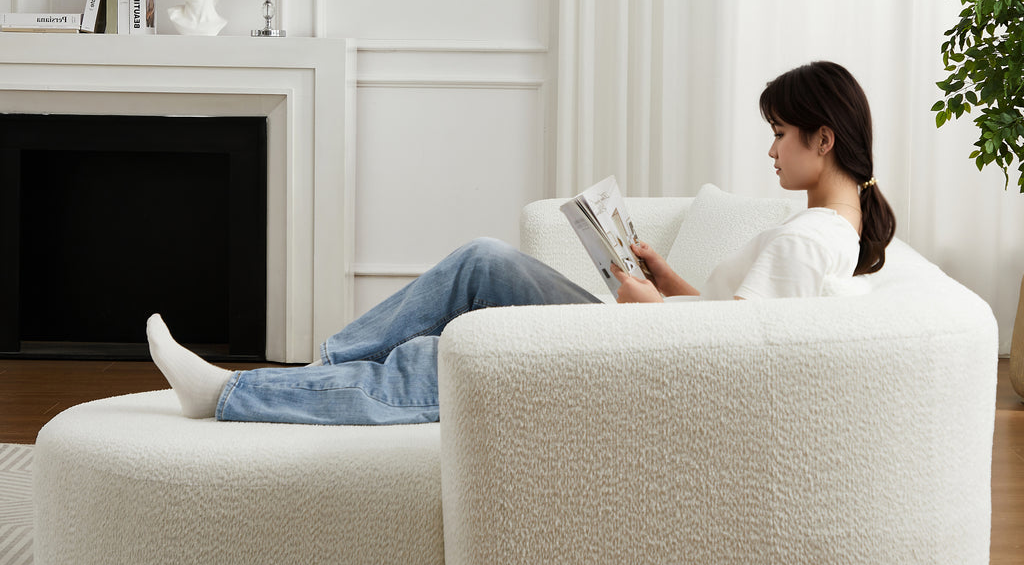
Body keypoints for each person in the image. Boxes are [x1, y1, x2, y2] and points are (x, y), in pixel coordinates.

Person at [147, 60, 896, 426]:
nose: (771, 150)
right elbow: (734, 321)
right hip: (647, 336)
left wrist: (640, 304)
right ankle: (323, 370)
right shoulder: (821, 232)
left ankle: (231, 395)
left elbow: (724, 365)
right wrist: (662, 278)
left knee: (441, 357)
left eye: (780, 133)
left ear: (823, 139)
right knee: (483, 259)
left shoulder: (809, 242)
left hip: (641, 366)